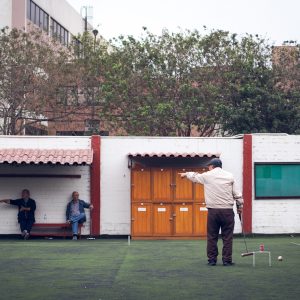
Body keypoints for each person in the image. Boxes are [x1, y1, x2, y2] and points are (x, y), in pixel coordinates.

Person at [179, 158, 243, 266]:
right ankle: (227, 260)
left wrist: (185, 174)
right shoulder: (229, 176)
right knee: (227, 237)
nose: (208, 168)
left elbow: (195, 176)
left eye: (209, 166)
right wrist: (239, 206)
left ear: (212, 166)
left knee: (212, 236)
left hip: (213, 211)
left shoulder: (207, 175)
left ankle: (212, 260)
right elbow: (237, 194)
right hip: (227, 211)